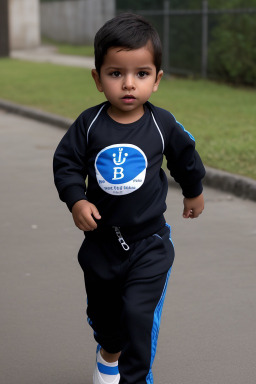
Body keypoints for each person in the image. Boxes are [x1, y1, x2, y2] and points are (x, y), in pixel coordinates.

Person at [53, 13, 205, 384]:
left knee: (138, 317)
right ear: (97, 78)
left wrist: (194, 192)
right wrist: (76, 199)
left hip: (148, 242)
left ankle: (135, 378)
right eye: (116, 73)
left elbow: (185, 158)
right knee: (107, 321)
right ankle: (108, 353)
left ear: (157, 80)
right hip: (101, 243)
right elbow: (66, 163)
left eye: (141, 73)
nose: (128, 84)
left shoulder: (161, 123)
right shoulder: (88, 124)